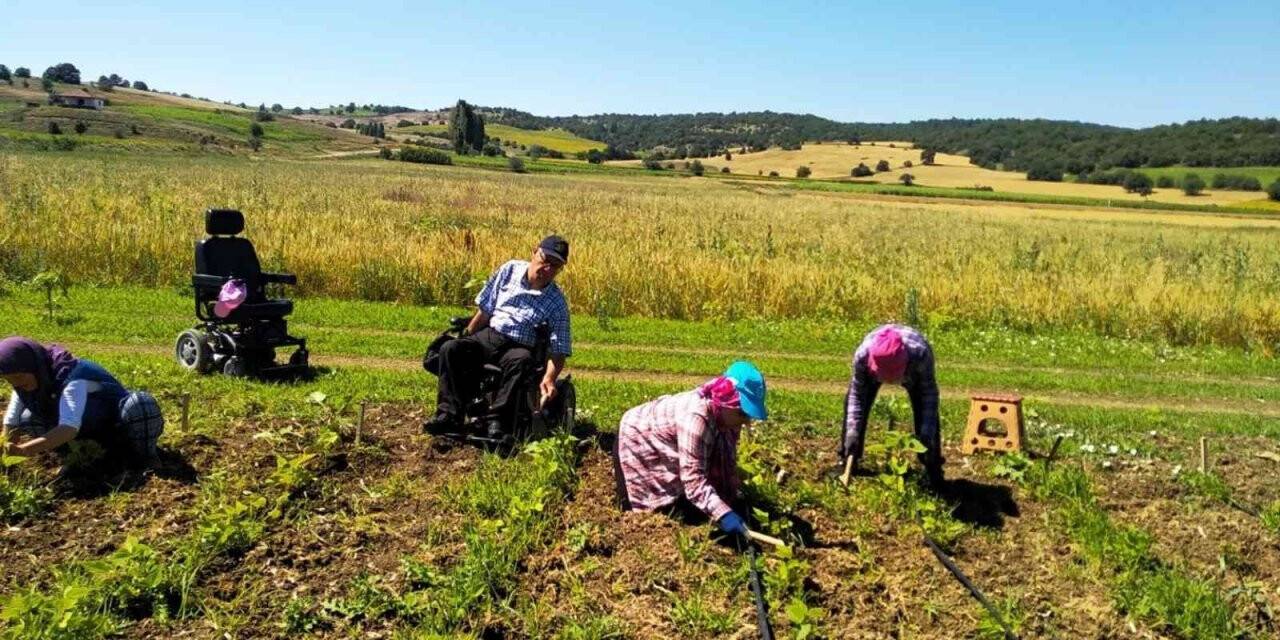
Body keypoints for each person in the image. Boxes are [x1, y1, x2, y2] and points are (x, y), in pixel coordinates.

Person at [423, 235, 572, 441]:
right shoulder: (509, 270)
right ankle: (449, 416)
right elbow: (485, 310)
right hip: (490, 335)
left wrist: (549, 378)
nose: (546, 268)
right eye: (545, 259)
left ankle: (497, 422)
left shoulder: (556, 302)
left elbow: (559, 348)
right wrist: (467, 335)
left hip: (520, 344)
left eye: (554, 266)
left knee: (521, 361)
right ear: (534, 252)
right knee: (451, 349)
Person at [613, 361, 767, 539]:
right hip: (637, 439)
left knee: (691, 509)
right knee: (639, 520)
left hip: (666, 440)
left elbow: (726, 460)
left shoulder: (729, 416)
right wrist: (724, 515)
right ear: (725, 402)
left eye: (748, 415)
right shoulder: (695, 419)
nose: (746, 421)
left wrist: (728, 502)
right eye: (742, 413)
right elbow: (694, 481)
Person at [0, 337, 164, 469]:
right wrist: (6, 446)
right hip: (86, 428)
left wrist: (25, 450)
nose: (17, 384)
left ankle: (144, 455)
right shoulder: (27, 383)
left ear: (33, 366)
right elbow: (11, 421)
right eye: (10, 380)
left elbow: (68, 428)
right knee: (28, 417)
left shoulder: (71, 378)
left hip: (116, 424)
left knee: (141, 404)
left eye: (20, 376)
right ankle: (75, 456)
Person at [840, 324, 944, 487]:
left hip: (914, 369)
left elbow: (929, 396)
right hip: (875, 362)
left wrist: (926, 434)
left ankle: (933, 468)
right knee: (852, 410)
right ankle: (848, 458)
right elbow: (857, 396)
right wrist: (852, 432)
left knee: (925, 414)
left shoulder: (920, 355)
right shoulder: (863, 356)